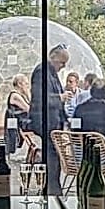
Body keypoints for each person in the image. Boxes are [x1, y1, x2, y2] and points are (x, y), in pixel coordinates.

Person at [28, 45, 71, 193]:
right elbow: (39, 98)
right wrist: (60, 97)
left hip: (52, 123)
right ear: (52, 57)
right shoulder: (42, 72)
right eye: (61, 62)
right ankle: (53, 193)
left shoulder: (50, 72)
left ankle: (54, 190)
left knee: (54, 161)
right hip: (46, 123)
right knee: (51, 161)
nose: (63, 66)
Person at [73, 78, 105, 147]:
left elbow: (74, 133)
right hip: (103, 154)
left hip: (80, 152)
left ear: (91, 91)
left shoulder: (79, 109)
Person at [4, 73, 32, 155]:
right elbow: (29, 109)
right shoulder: (15, 95)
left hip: (21, 123)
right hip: (20, 124)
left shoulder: (19, 95)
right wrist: (28, 94)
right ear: (19, 84)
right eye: (26, 83)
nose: (28, 86)